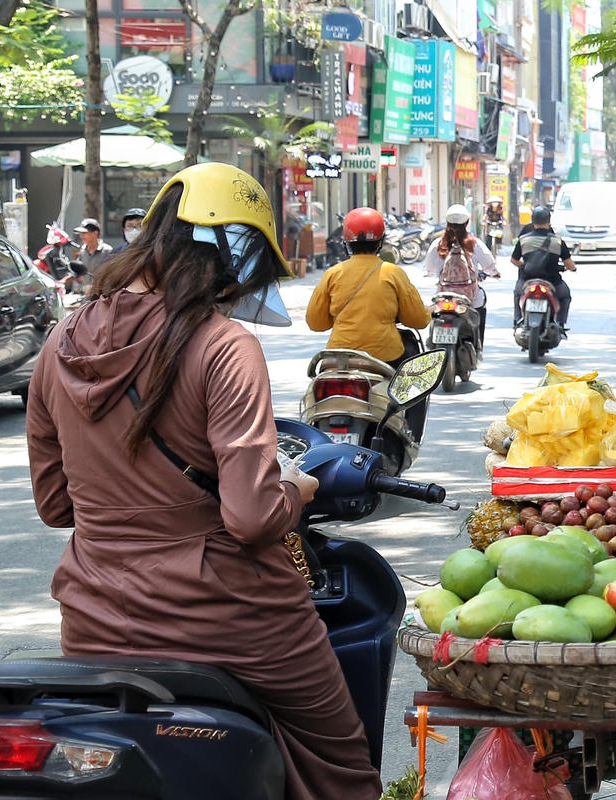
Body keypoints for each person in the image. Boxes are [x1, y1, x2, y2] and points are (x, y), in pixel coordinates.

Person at [24, 162, 383, 800]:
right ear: (234, 256)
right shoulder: (223, 345)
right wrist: (295, 490)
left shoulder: (61, 342)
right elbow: (248, 516)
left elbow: (56, 506)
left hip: (95, 619)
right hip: (233, 617)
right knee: (343, 764)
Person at [306, 207, 431, 369]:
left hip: (339, 355)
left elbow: (316, 323)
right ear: (380, 242)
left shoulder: (333, 274)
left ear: (347, 242)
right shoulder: (393, 273)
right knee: (409, 387)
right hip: (386, 355)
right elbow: (417, 320)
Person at [424, 204, 500, 345]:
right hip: (469, 298)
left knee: (434, 315)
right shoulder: (474, 244)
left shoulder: (438, 244)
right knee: (480, 303)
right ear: (466, 223)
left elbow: (429, 269)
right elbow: (489, 265)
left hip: (443, 296)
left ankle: (432, 342)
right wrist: (493, 273)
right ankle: (477, 344)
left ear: (447, 222)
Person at [510, 206, 576, 329]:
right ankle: (560, 324)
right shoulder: (557, 241)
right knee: (565, 296)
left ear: (533, 222)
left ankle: (517, 320)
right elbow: (569, 264)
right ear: (548, 222)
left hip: (527, 280)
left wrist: (523, 265)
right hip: (552, 280)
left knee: (517, 294)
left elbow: (514, 260)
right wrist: (572, 268)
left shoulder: (524, 239)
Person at [69, 218, 115, 292]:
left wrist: (95, 287)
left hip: (103, 296)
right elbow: (78, 274)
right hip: (85, 296)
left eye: (84, 233)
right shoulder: (82, 251)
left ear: (95, 233)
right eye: (81, 234)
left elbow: (112, 276)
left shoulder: (107, 251)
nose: (81, 236)